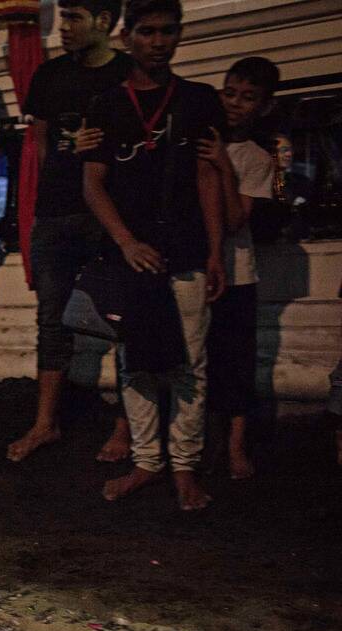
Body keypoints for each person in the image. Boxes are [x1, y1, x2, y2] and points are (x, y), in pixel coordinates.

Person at [84, 0, 227, 511]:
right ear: (127, 36)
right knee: (136, 362)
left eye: (168, 31)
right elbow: (93, 184)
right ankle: (146, 460)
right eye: (147, 32)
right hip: (130, 253)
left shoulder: (200, 99)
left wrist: (215, 251)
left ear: (180, 35)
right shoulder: (106, 105)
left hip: (186, 246)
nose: (159, 41)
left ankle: (185, 466)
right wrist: (125, 241)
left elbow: (207, 176)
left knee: (190, 361)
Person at [3, 0, 134, 463]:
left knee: (123, 321)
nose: (64, 29)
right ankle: (45, 423)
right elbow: (39, 141)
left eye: (75, 18)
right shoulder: (49, 76)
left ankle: (127, 426)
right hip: (56, 214)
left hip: (110, 216)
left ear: (104, 21)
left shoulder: (127, 72)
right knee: (52, 320)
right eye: (63, 18)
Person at [197, 57, 279, 480]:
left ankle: (235, 448)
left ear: (264, 106)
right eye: (229, 93)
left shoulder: (257, 159)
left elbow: (234, 220)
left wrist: (224, 167)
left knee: (236, 364)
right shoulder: (201, 140)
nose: (235, 104)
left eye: (248, 98)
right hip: (197, 269)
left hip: (239, 273)